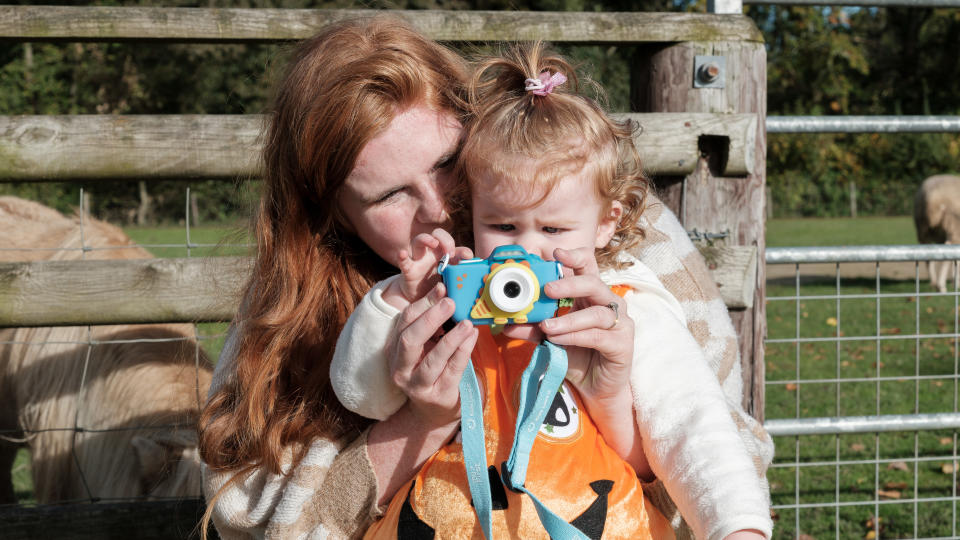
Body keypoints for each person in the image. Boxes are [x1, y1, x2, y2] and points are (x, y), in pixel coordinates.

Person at [198, 16, 773, 540]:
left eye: (448, 162)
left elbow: (697, 429)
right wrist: (421, 417)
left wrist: (612, 397)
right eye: (392, 194)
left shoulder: (605, 243)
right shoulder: (334, 304)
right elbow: (258, 514)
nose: (441, 207)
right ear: (336, 220)